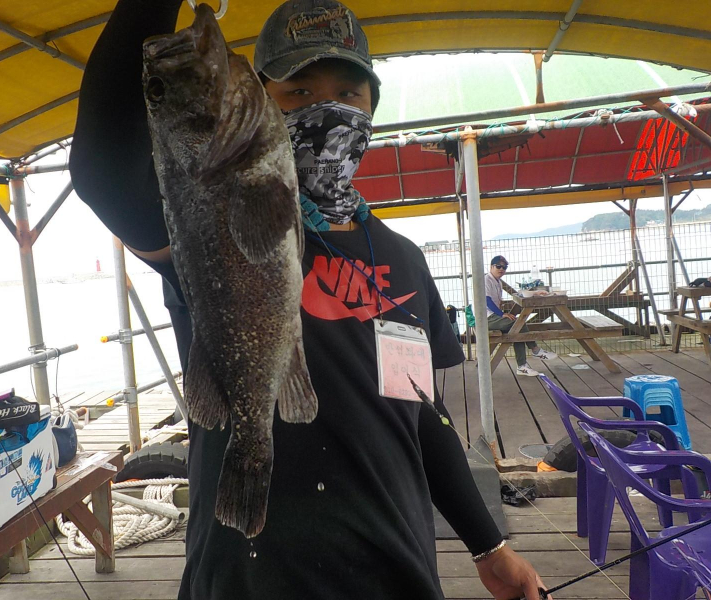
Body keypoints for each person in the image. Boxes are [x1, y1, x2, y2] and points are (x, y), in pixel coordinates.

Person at [70, 1, 550, 598]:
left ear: (371, 108)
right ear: (258, 104)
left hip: (397, 575)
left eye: (348, 93)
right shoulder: (213, 224)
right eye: (298, 91)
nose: (327, 108)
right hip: (247, 581)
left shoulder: (403, 258)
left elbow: (421, 417)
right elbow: (101, 170)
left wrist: (489, 546)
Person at [485, 256, 557, 377]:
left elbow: (516, 294)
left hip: (493, 316)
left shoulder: (498, 282)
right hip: (486, 319)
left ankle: (523, 366)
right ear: (491, 267)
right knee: (518, 324)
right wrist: (502, 314)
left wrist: (534, 293)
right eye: (498, 266)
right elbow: (486, 300)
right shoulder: (486, 280)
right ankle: (534, 351)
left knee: (517, 328)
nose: (501, 269)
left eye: (504, 267)